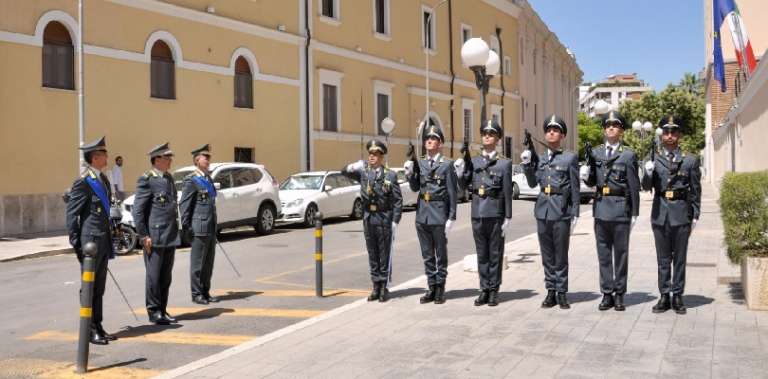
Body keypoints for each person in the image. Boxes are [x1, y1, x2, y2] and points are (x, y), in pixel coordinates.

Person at [641, 115, 701, 315]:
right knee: (663, 258)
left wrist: (695, 216)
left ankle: (678, 295)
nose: (669, 136)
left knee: (680, 258)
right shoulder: (653, 160)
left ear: (679, 135)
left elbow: (695, 190)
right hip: (660, 214)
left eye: (673, 132)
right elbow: (646, 187)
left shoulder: (690, 160)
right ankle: (664, 295)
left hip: (682, 214)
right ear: (661, 135)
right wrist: (648, 173)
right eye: (665, 132)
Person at [581, 110, 640, 312]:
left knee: (621, 254)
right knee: (604, 254)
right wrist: (586, 174)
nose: (611, 128)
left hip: (620, 208)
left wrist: (635, 213)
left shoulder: (628, 154)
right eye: (607, 125)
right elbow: (591, 181)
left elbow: (634, 185)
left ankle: (620, 293)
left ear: (621, 130)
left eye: (615, 125)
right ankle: (607, 293)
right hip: (601, 208)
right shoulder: (596, 153)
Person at [521, 115, 580, 309]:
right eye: (548, 130)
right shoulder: (540, 158)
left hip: (561, 210)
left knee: (560, 254)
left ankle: (562, 292)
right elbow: (531, 183)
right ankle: (551, 291)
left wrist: (575, 213)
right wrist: (527, 164)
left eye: (555, 130)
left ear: (562, 134)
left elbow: (575, 187)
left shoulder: (569, 157)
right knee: (547, 255)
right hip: (543, 211)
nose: (551, 132)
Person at [455, 120, 513, 306]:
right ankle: (484, 289)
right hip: (478, 212)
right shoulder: (473, 161)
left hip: (495, 213)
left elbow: (507, 192)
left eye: (491, 133)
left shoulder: (504, 164)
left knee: (495, 253)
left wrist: (508, 216)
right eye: (484, 133)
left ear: (497, 138)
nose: (487, 136)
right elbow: (463, 186)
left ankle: (494, 290)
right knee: (482, 254)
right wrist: (461, 171)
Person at [65, 136, 117, 345]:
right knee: (89, 287)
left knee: (99, 288)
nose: (106, 157)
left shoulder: (102, 179)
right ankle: (90, 329)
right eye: (103, 154)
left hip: (103, 242)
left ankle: (98, 325)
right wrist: (77, 244)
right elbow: (72, 215)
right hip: (90, 243)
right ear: (95, 157)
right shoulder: (83, 182)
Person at [341, 139, 403, 302]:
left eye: (375, 154)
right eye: (370, 154)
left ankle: (384, 287)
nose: (372, 157)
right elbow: (344, 172)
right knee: (372, 252)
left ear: (381, 156)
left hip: (383, 217)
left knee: (384, 252)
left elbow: (397, 200)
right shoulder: (363, 173)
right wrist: (352, 166)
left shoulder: (390, 175)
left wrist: (395, 220)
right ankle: (375, 285)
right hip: (369, 217)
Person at [405, 124, 458, 304]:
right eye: (427, 138)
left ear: (440, 143)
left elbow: (452, 192)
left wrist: (451, 217)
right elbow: (414, 187)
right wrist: (410, 173)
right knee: (427, 254)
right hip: (422, 215)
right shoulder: (420, 162)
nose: (429, 140)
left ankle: (441, 287)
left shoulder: (447, 165)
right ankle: (431, 287)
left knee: (440, 254)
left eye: (434, 138)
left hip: (439, 214)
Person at [132, 142, 180, 325]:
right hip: (155, 235)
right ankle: (154, 311)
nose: (170, 161)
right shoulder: (147, 179)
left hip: (170, 234)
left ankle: (162, 309)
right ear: (157, 159)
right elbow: (139, 210)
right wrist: (144, 235)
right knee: (154, 276)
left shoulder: (168, 178)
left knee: (165, 276)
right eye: (167, 158)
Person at [180, 144, 220, 305]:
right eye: (206, 158)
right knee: (198, 263)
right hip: (199, 227)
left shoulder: (207, 178)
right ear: (197, 160)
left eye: (209, 157)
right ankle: (196, 293)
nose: (209, 160)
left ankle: (205, 291)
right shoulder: (191, 180)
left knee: (208, 263)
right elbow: (184, 205)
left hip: (210, 227)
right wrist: (186, 227)